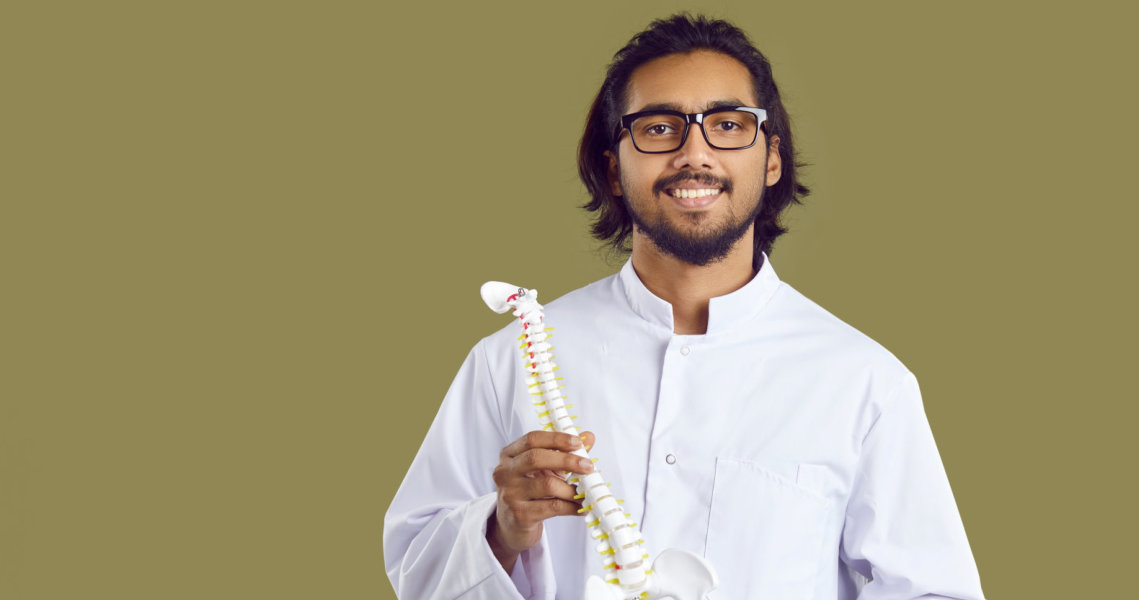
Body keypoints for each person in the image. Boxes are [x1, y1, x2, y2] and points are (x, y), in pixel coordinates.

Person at [384, 14, 983, 600]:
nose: (695, 154)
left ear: (771, 158)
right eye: (659, 127)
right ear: (613, 167)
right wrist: (498, 529)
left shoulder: (864, 382)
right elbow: (414, 569)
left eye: (727, 124)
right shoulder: (510, 362)